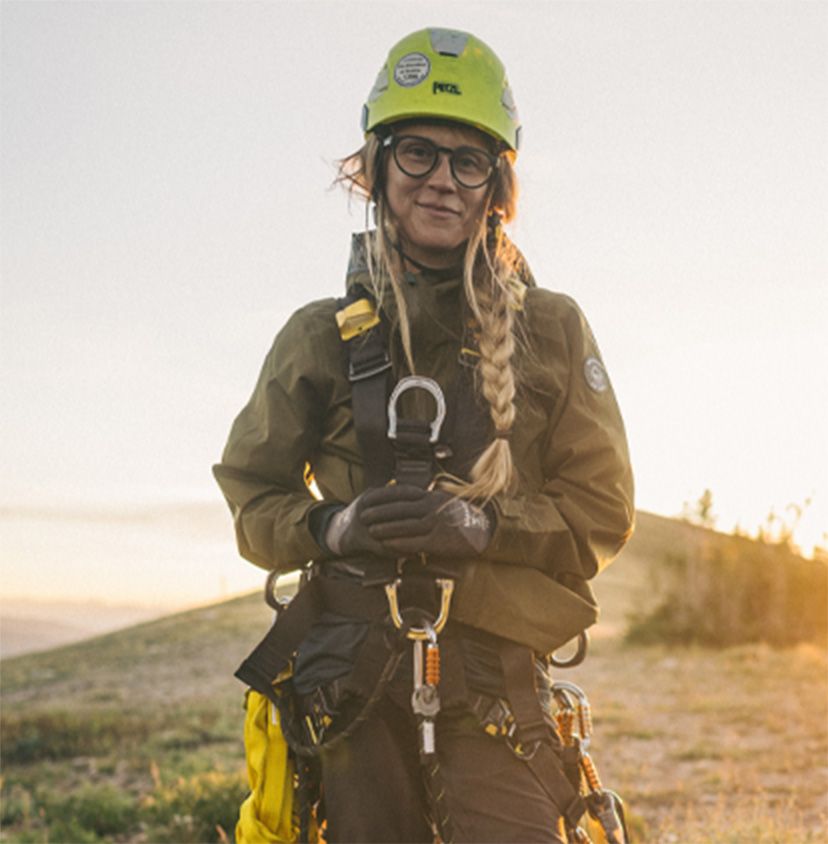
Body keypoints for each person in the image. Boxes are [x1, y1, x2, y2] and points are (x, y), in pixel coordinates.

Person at [215, 27, 634, 844]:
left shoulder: (553, 328)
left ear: (497, 184)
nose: (441, 180)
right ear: (376, 168)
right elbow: (250, 497)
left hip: (497, 673)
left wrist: (486, 526)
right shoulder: (318, 335)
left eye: (467, 160)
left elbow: (600, 512)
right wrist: (333, 526)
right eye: (416, 154)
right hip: (349, 680)